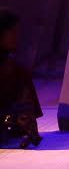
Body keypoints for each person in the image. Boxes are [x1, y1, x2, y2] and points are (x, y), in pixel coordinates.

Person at [0, 8, 42, 148]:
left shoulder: (15, 68)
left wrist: (26, 127)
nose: (17, 37)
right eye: (12, 32)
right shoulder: (12, 69)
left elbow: (24, 104)